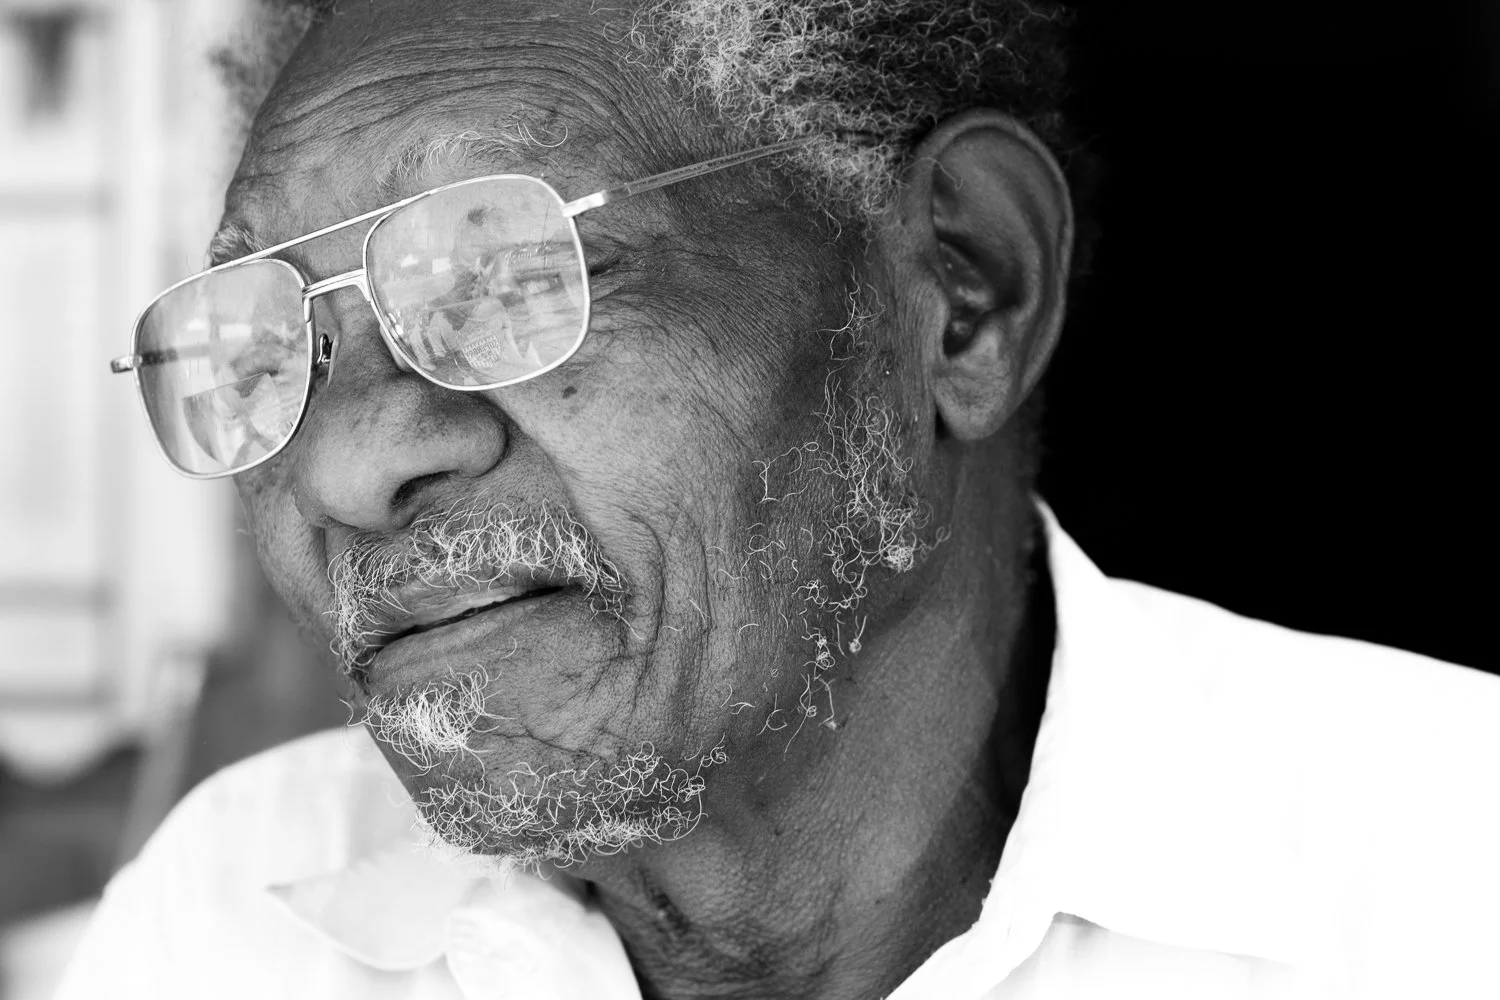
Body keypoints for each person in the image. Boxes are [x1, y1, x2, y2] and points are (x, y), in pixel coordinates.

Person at [62, 1, 1500, 997]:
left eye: (505, 273)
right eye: (261, 349)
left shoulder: (1445, 879)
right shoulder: (239, 916)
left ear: (960, 293)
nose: (342, 466)